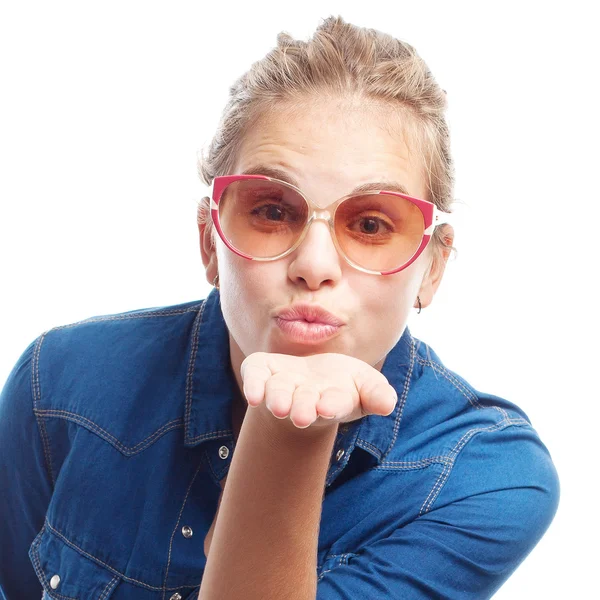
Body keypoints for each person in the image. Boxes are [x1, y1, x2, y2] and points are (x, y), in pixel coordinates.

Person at [0, 15, 559, 600]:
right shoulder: (57, 388)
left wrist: (291, 430)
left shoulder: (486, 476)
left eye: (370, 224)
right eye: (272, 211)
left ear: (433, 268)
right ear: (209, 242)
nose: (314, 265)